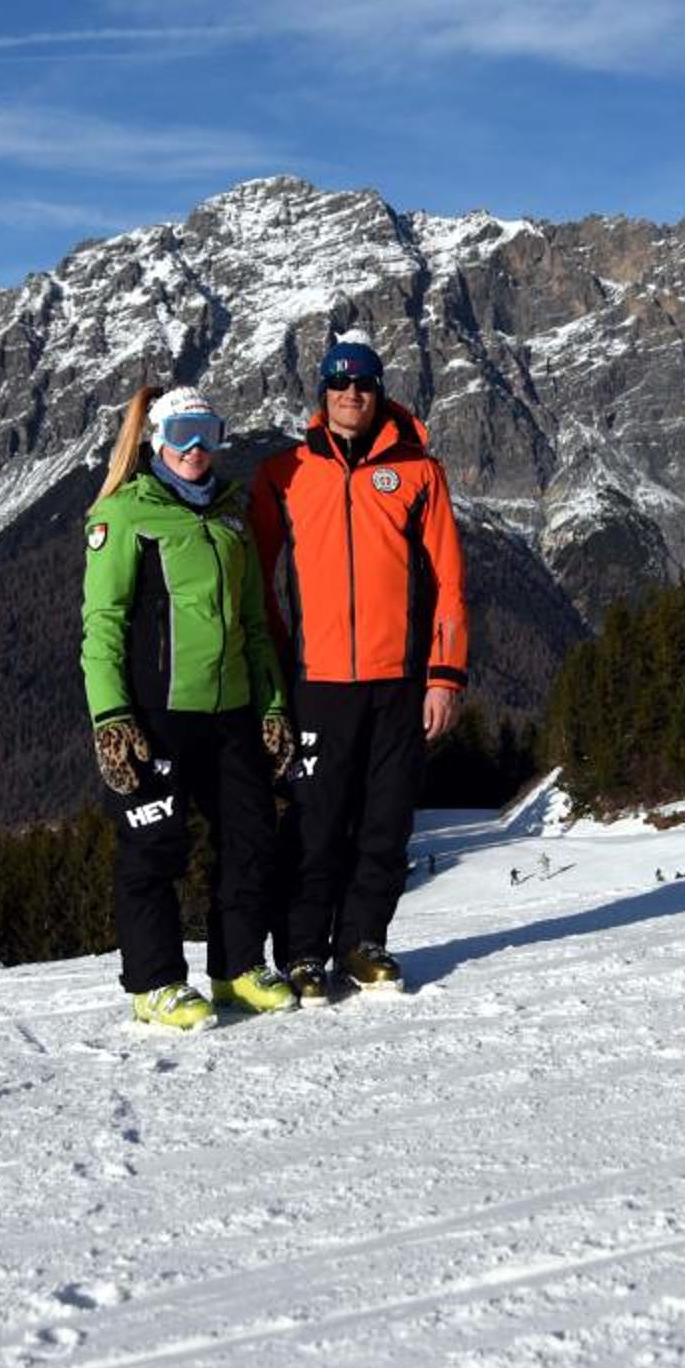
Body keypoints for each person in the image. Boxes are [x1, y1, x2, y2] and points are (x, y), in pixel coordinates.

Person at [248, 330, 470, 999]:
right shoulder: (284, 473)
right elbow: (255, 582)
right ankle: (302, 954)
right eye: (339, 383)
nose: (351, 393)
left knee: (386, 823)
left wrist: (444, 677)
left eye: (363, 384)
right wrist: (275, 668)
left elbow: (449, 582)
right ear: (322, 393)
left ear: (379, 393)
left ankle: (363, 942)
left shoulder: (419, 472)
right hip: (317, 684)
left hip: (399, 682)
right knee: (313, 826)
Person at [80, 384, 299, 1030]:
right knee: (155, 846)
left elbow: (255, 624)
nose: (197, 447)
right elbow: (102, 625)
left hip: (231, 712)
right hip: (157, 715)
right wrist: (111, 718)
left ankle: (237, 969)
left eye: (209, 432)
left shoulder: (231, 515)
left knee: (250, 839)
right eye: (182, 434)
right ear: (157, 441)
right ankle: (154, 984)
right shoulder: (125, 513)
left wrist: (272, 706)